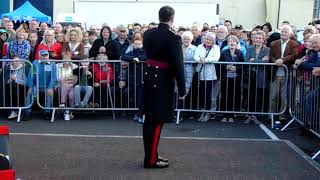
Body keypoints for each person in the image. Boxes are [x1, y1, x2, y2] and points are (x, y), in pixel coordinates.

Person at [142, 6, 186, 168]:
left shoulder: (148, 34)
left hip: (149, 78)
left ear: (159, 17)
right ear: (172, 19)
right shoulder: (172, 38)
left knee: (149, 121)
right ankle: (151, 159)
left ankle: (151, 154)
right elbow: (178, 65)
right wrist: (182, 89)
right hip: (162, 82)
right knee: (157, 121)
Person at [269, 25, 298, 121]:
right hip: (275, 73)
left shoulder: (294, 44)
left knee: (284, 97)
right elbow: (271, 56)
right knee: (273, 96)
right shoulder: (274, 43)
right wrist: (275, 61)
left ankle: (282, 116)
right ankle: (271, 115)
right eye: (282, 31)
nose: (283, 33)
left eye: (286, 32)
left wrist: (282, 60)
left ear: (290, 34)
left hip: (287, 74)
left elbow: (294, 55)